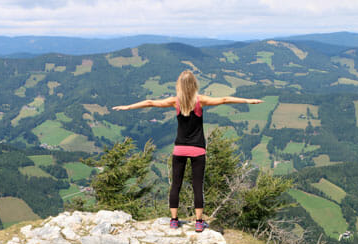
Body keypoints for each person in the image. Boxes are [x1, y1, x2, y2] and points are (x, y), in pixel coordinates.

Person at [112, 70, 263, 232]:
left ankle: (174, 220)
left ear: (179, 85)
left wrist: (128, 107)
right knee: (198, 185)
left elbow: (150, 102)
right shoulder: (200, 100)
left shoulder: (175, 101)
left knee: (175, 185)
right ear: (194, 84)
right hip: (198, 149)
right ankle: (199, 222)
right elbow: (225, 99)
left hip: (179, 148)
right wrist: (248, 100)